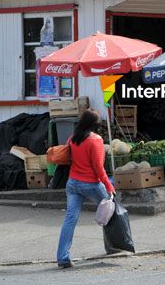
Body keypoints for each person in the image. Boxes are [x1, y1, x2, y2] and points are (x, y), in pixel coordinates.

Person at [57, 109, 116, 268]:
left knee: (70, 220)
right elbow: (99, 168)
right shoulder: (96, 140)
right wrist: (109, 186)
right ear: (95, 124)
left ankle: (62, 257)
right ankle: (116, 246)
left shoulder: (72, 139)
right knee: (110, 212)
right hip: (91, 185)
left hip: (73, 184)